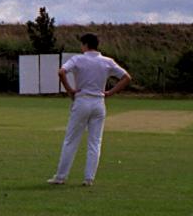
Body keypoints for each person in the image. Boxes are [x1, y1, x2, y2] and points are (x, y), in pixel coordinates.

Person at [48, 33, 131, 187]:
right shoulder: (107, 61)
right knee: (95, 142)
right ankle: (89, 178)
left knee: (71, 141)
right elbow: (126, 77)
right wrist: (110, 93)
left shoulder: (78, 59)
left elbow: (61, 72)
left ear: (85, 44)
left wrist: (69, 90)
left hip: (82, 100)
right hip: (99, 102)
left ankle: (60, 176)